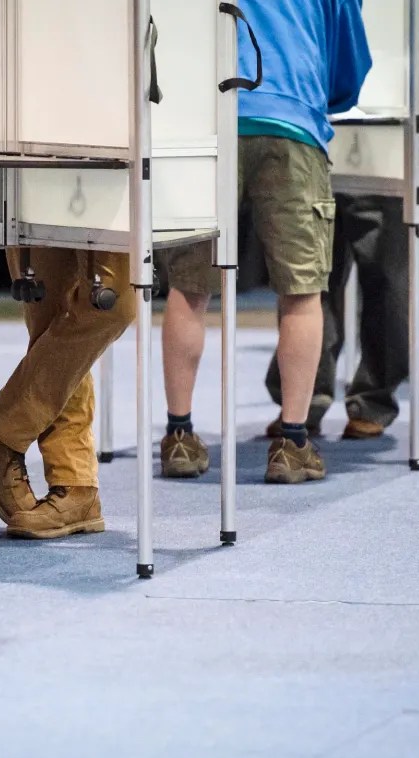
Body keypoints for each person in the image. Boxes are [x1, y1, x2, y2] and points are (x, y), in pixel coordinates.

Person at [158, 0, 371, 483]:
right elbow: (347, 65)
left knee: (189, 285)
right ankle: (293, 442)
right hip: (290, 117)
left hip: (208, 119)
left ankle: (179, 436)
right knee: (301, 289)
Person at [261, 186, 419, 441]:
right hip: (319, 159)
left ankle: (373, 399)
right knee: (309, 280)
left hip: (396, 161)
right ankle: (304, 399)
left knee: (389, 278)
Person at [0, 249, 136, 539]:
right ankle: (74, 484)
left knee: (114, 304)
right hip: (34, 202)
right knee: (50, 314)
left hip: (114, 206)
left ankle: (0, 430)